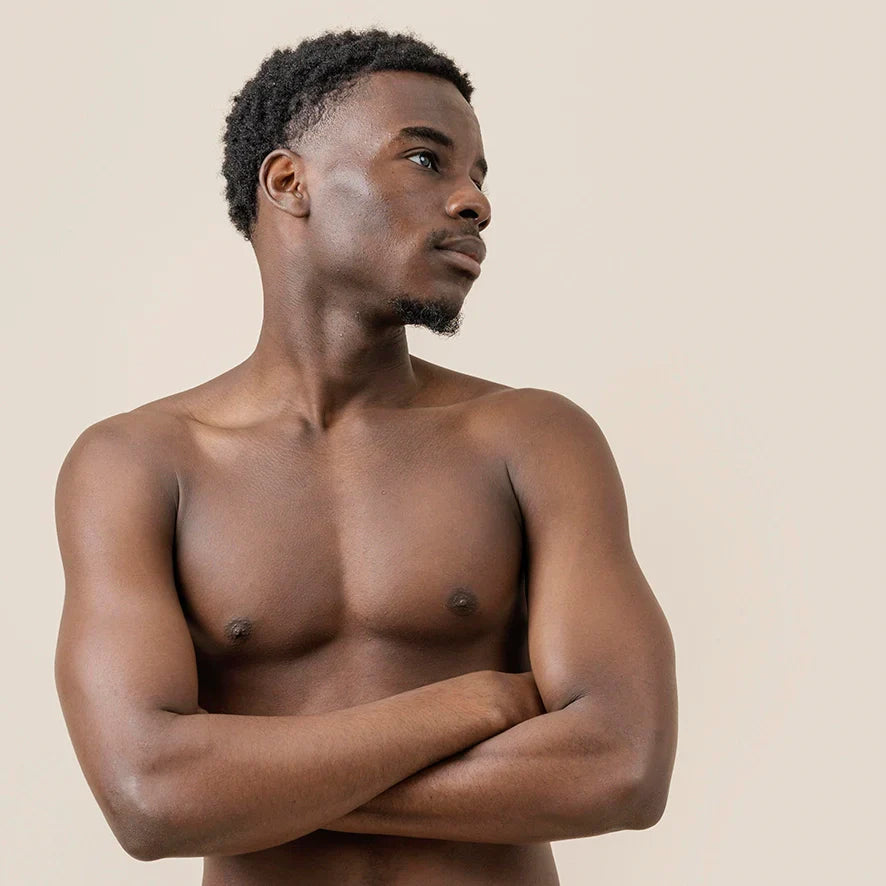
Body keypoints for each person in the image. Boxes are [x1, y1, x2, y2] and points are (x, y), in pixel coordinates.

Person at [53, 27, 678, 885]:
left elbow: (620, 769)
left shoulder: (533, 440)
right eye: (425, 160)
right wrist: (473, 704)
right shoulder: (137, 465)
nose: (474, 202)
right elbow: (151, 800)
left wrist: (245, 787)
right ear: (289, 182)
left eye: (479, 176)